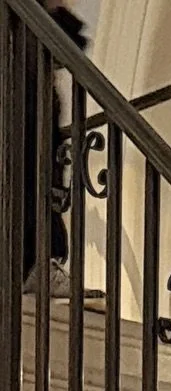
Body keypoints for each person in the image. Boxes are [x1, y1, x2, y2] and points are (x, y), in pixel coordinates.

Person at [21, 0, 90, 292]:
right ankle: (33, 263)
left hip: (34, 109)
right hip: (25, 107)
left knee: (39, 172)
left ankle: (38, 262)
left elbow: (71, 47)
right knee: (30, 172)